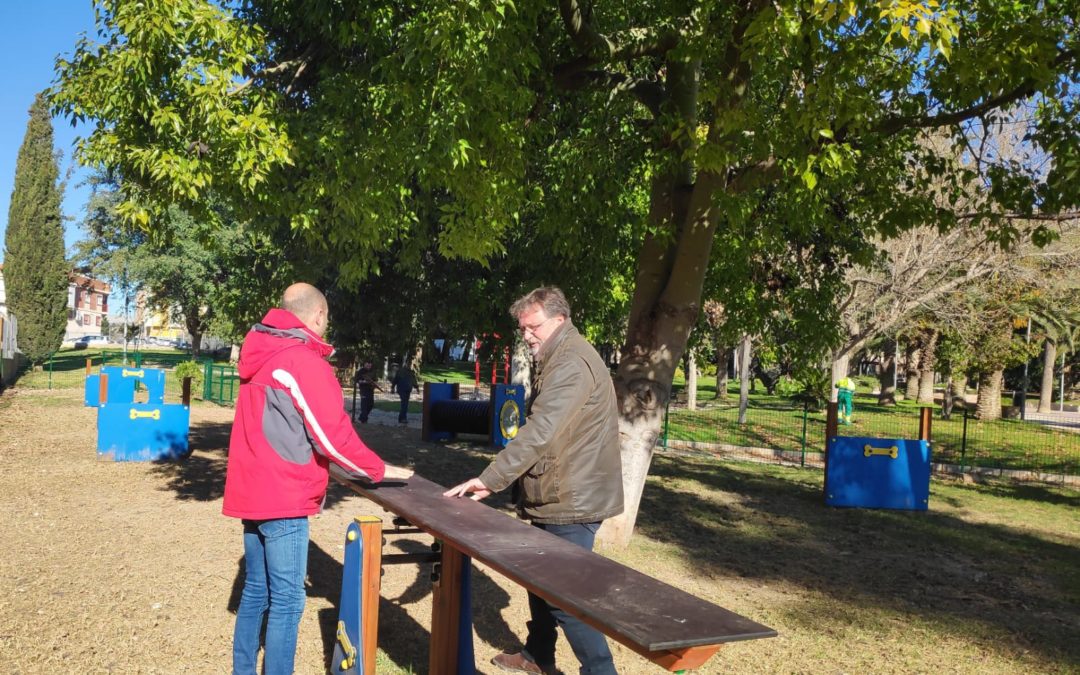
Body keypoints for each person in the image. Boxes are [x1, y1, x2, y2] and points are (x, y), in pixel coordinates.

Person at [222, 283, 412, 675]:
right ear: (319, 316)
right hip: (283, 495)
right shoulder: (300, 361)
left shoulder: (261, 351)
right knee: (288, 600)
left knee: (257, 589)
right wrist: (378, 468)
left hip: (252, 489)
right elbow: (331, 437)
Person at [444, 286, 623, 675]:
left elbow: (541, 430)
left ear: (559, 320)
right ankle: (538, 655)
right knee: (539, 578)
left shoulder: (572, 364)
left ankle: (600, 671)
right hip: (558, 491)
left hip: (573, 499)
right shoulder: (559, 354)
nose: (526, 336)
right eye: (523, 328)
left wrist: (490, 479)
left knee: (564, 596)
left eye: (533, 327)